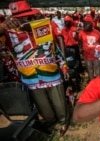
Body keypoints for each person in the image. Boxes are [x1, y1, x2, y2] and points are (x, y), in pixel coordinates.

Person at [0, 0, 70, 135]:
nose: (24, 20)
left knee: (59, 102)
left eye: (27, 16)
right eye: (18, 18)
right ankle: (50, 120)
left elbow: (54, 49)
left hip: (51, 74)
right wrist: (3, 28)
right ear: (12, 19)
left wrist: (64, 66)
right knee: (43, 106)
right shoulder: (8, 34)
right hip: (30, 77)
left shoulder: (42, 27)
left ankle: (63, 120)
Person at [76, 14, 100, 82]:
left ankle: (98, 84)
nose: (85, 25)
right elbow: (79, 41)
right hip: (87, 56)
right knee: (90, 71)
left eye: (87, 23)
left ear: (91, 24)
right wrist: (81, 48)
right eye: (84, 23)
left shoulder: (97, 32)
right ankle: (92, 83)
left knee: (97, 72)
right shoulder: (81, 32)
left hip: (96, 56)